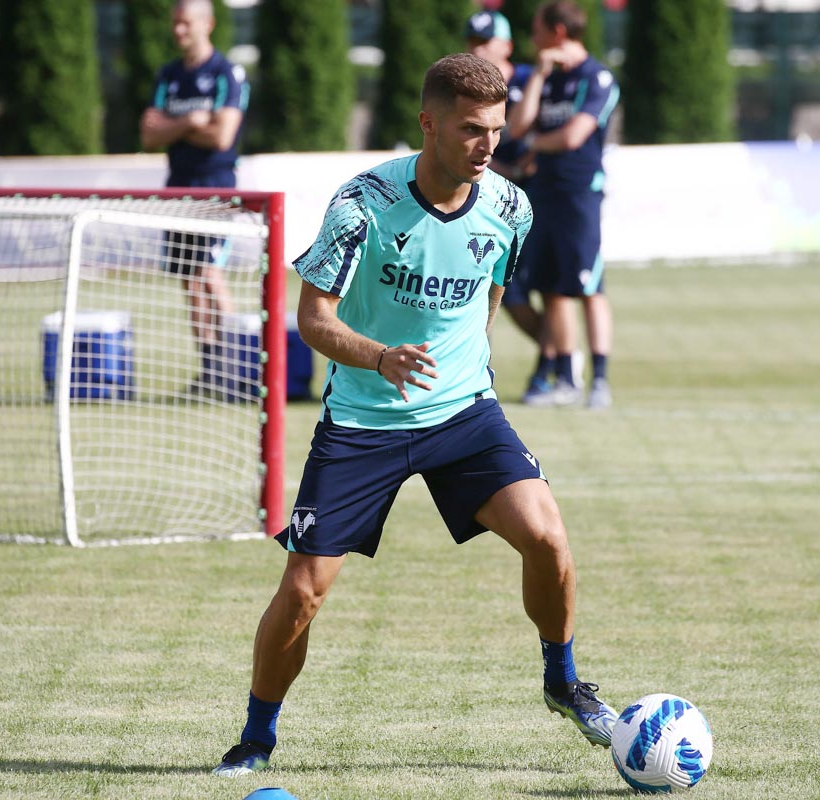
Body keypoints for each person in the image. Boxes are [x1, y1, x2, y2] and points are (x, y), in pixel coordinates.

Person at [212, 53, 617, 777]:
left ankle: (563, 681)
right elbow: (312, 318)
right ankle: (254, 739)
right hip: (364, 420)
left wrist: (465, 372)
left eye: (494, 129)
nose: (487, 146)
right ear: (427, 124)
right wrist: (379, 357)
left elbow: (490, 295)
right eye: (470, 130)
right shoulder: (361, 203)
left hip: (463, 413)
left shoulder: (511, 207)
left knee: (549, 538)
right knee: (304, 588)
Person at [508, 1, 619, 409]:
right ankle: (567, 379)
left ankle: (601, 380)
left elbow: (574, 136)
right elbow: (516, 126)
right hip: (543, 192)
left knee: (588, 286)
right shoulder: (547, 77)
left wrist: (534, 144)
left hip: (579, 194)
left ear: (557, 31)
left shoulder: (597, 77)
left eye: (537, 29)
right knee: (553, 290)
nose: (532, 37)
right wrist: (538, 73)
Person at [140, 0, 249, 396]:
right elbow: (149, 135)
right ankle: (208, 373)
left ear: (208, 24)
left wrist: (173, 127)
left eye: (185, 23)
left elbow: (222, 136)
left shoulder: (226, 73)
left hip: (216, 187)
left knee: (208, 274)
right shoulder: (167, 74)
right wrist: (190, 121)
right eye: (175, 24)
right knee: (188, 278)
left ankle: (236, 367)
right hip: (177, 188)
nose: (178, 31)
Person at [463, 9, 546, 362]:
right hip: (491, 198)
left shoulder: (532, 79)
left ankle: (559, 358)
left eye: (485, 42)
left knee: (549, 288)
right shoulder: (467, 90)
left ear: (507, 45)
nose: (477, 51)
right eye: (472, 43)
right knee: (501, 292)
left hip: (540, 199)